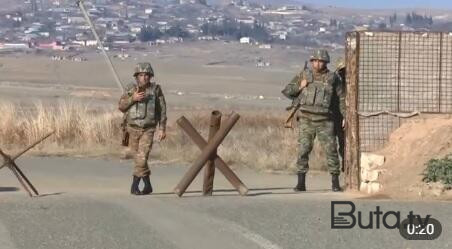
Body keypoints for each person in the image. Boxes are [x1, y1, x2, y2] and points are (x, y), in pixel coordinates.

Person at [281, 49, 345, 192]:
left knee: (331, 151)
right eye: (315, 61)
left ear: (326, 62)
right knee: (303, 150)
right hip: (306, 119)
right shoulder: (304, 75)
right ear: (311, 62)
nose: (317, 64)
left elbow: (341, 98)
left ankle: (335, 183)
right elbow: (287, 91)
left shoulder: (333, 78)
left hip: (325, 120)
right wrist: (300, 86)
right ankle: (301, 183)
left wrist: (344, 116)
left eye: (321, 61)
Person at [118, 62, 167, 195]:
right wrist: (132, 99)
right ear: (136, 76)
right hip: (132, 129)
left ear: (150, 76)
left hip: (148, 129)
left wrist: (162, 128)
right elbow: (121, 106)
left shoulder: (156, 90)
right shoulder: (130, 89)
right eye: (141, 75)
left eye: (146, 75)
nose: (144, 77)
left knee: (142, 156)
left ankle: (134, 185)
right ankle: (148, 185)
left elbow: (162, 110)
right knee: (138, 157)